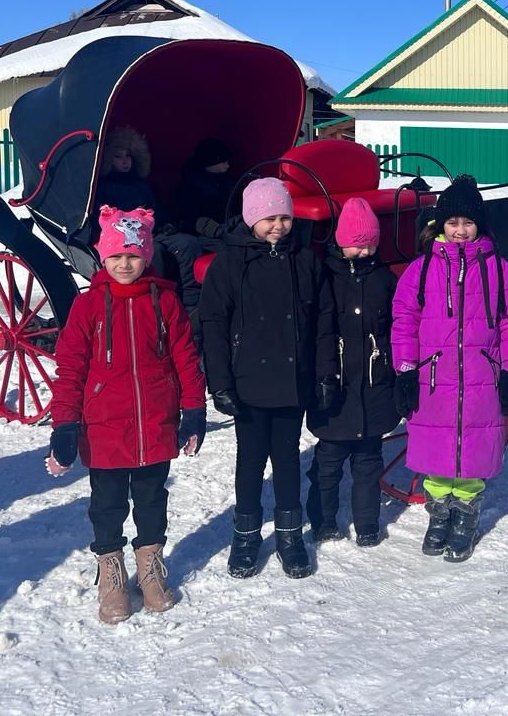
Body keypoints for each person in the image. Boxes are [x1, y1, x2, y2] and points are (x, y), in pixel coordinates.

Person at [46, 205, 207, 625]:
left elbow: (186, 359)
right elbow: (70, 369)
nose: (125, 264)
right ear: (103, 256)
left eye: (133, 255)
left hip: (155, 422)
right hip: (104, 428)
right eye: (116, 255)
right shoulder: (88, 307)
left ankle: (150, 567)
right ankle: (111, 573)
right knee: (108, 504)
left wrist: (193, 408)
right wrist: (65, 424)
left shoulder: (164, 301)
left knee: (153, 499)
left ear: (147, 256)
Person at [199, 177, 339, 579]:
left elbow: (324, 321)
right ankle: (246, 536)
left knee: (288, 459)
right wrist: (220, 382)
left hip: (293, 380)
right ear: (251, 219)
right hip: (248, 383)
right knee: (250, 461)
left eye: (284, 217)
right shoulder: (230, 263)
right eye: (268, 218)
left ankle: (289, 536)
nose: (278, 225)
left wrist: (326, 372)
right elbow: (213, 324)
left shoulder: (305, 259)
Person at [391, 175, 508, 563]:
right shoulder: (421, 269)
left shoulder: (499, 270)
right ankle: (439, 513)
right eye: (454, 223)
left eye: (468, 223)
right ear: (441, 226)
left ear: (479, 225)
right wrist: (404, 371)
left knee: (472, 449)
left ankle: (465, 514)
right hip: (433, 377)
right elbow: (404, 321)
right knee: (436, 450)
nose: (461, 230)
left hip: (482, 377)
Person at [305, 198, 400, 547]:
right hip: (336, 391)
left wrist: (393, 366)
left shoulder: (383, 279)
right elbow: (319, 333)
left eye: (369, 244)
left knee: (368, 464)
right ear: (340, 242)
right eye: (356, 244)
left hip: (374, 388)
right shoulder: (325, 277)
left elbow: (394, 328)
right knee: (328, 465)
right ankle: (324, 520)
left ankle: (367, 524)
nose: (363, 250)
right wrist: (323, 377)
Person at [97, 126, 202, 310]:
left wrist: (166, 222)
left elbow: (154, 209)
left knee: (188, 244)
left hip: (152, 230)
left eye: (128, 156)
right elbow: (103, 217)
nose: (125, 161)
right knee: (155, 253)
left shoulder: (140, 185)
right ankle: (156, 302)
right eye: (118, 156)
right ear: (107, 159)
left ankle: (191, 302)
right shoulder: (104, 187)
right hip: (124, 237)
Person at [176, 137, 238, 249]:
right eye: (223, 162)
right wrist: (214, 229)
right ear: (212, 161)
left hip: (228, 229)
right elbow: (190, 217)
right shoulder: (190, 185)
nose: (227, 166)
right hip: (202, 234)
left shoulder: (228, 181)